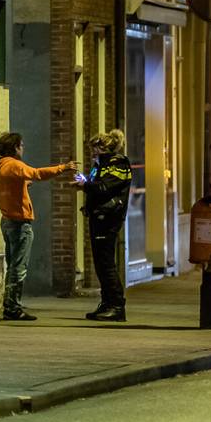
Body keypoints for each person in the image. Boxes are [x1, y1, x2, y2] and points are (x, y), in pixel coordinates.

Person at [0, 133, 77, 321]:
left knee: (13, 263)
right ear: (14, 147)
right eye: (21, 145)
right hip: (19, 223)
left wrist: (23, 184)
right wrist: (63, 168)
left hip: (7, 220)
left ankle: (10, 303)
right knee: (18, 267)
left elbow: (11, 184)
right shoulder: (14, 165)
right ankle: (12, 307)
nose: (23, 148)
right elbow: (37, 174)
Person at [76, 130, 132, 322]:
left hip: (108, 218)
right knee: (100, 263)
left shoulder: (118, 164)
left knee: (106, 264)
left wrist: (85, 185)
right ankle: (107, 303)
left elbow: (104, 187)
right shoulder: (101, 165)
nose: (92, 153)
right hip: (99, 217)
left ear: (103, 148)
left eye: (94, 149)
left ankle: (117, 306)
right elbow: (96, 185)